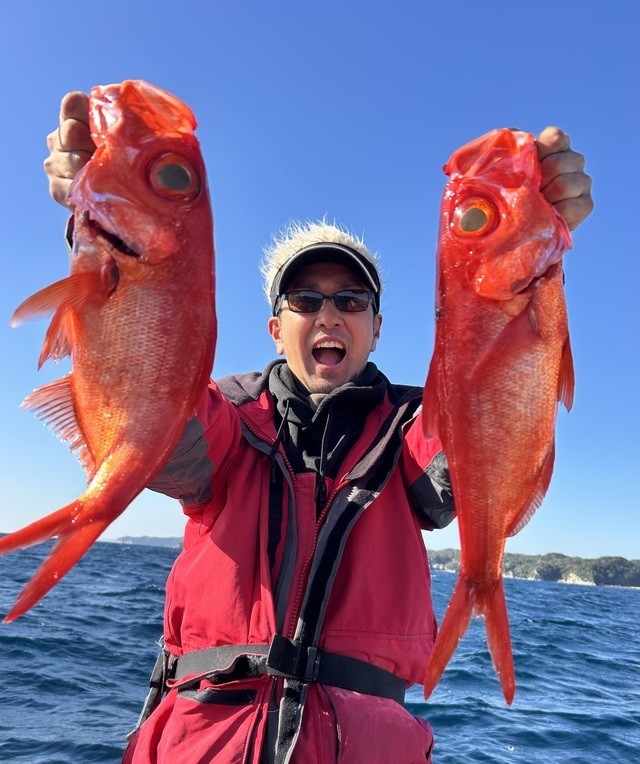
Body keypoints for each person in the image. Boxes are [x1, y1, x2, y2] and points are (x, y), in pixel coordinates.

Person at [45, 91, 593, 764]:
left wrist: (532, 245)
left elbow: (467, 463)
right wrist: (101, 223)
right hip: (202, 743)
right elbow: (155, 434)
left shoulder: (416, 427)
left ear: (376, 329)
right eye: (306, 299)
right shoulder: (224, 416)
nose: (329, 314)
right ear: (276, 329)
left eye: (351, 301)